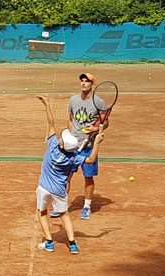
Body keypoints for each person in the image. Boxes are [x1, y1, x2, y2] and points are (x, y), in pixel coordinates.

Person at [35, 95, 104, 254]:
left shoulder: (52, 146)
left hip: (44, 189)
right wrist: (98, 143)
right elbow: (92, 159)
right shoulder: (74, 158)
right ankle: (72, 244)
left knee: (42, 213)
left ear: (61, 143)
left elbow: (51, 123)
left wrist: (47, 104)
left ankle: (49, 242)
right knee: (64, 215)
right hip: (59, 191)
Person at [50, 73, 108, 220]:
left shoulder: (99, 102)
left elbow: (105, 122)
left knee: (88, 177)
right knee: (66, 176)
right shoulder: (73, 100)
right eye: (82, 81)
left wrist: (95, 130)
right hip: (73, 147)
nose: (83, 84)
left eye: (87, 82)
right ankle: (61, 206)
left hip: (88, 146)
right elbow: (70, 119)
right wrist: (70, 137)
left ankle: (87, 207)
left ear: (92, 85)